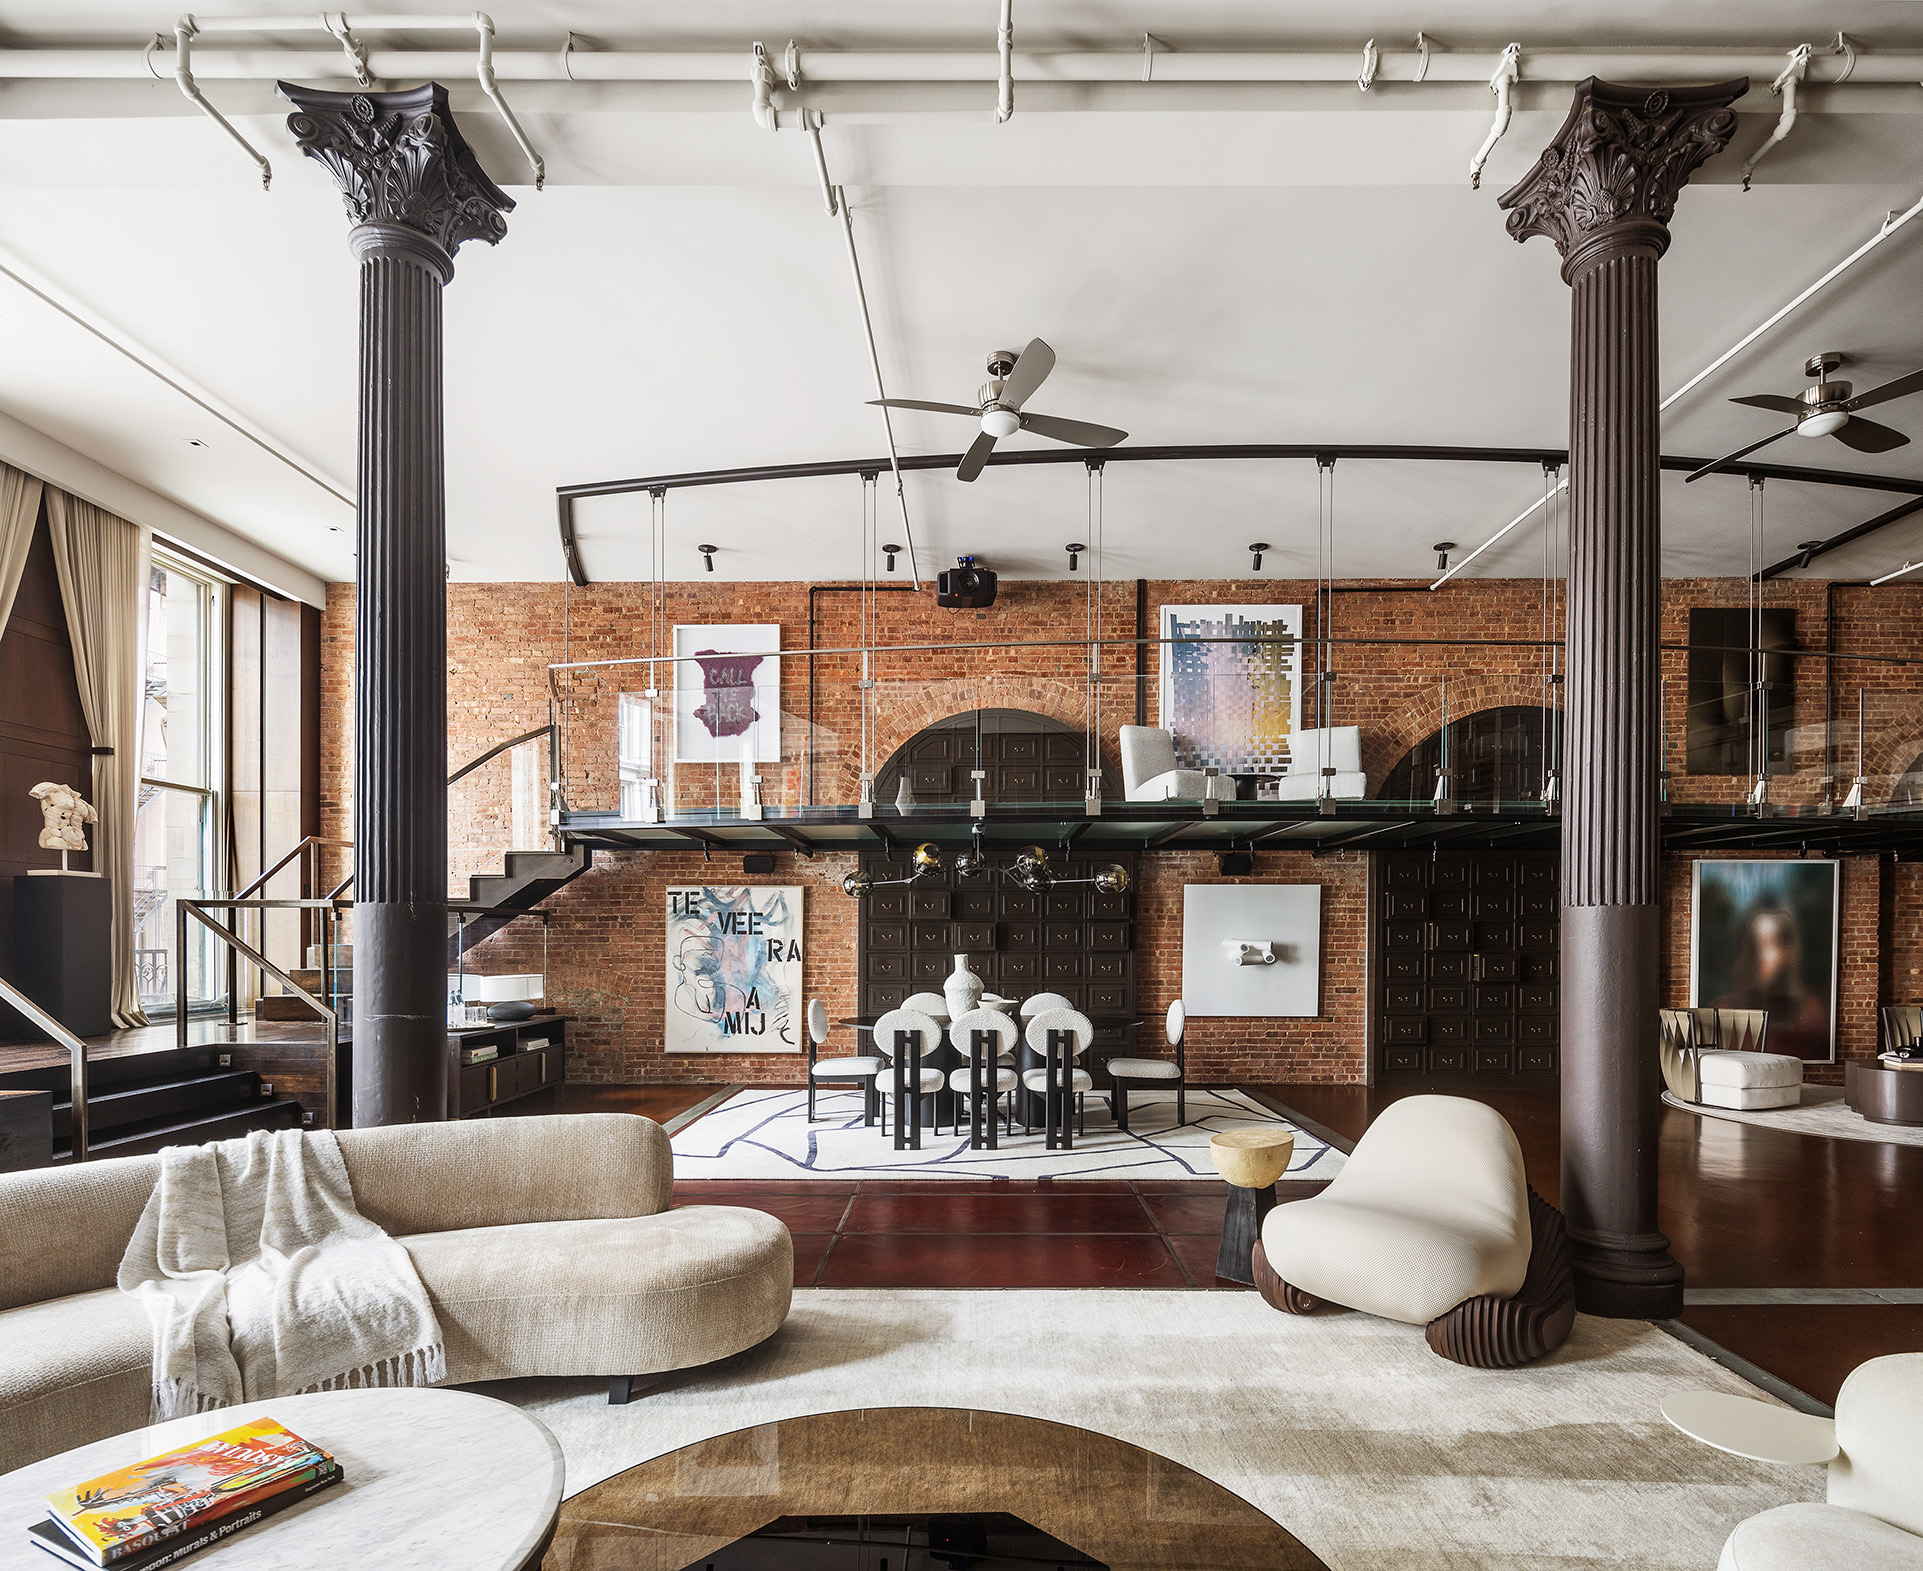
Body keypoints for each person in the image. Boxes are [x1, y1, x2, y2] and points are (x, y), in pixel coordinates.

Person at [1712, 905, 1829, 1061]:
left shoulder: (1810, 1010)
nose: (1760, 955)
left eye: (1770, 943)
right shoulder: (1724, 1010)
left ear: (1789, 953)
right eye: (1755, 944)